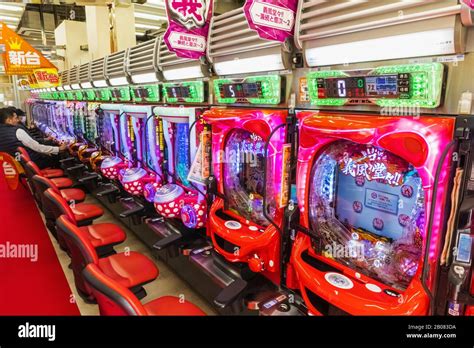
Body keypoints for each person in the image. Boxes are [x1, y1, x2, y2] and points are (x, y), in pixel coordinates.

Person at [0, 107, 66, 169]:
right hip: (29, 163)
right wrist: (58, 149)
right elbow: (36, 147)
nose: (18, 120)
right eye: (15, 118)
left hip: (13, 164)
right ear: (8, 120)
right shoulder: (17, 131)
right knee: (56, 157)